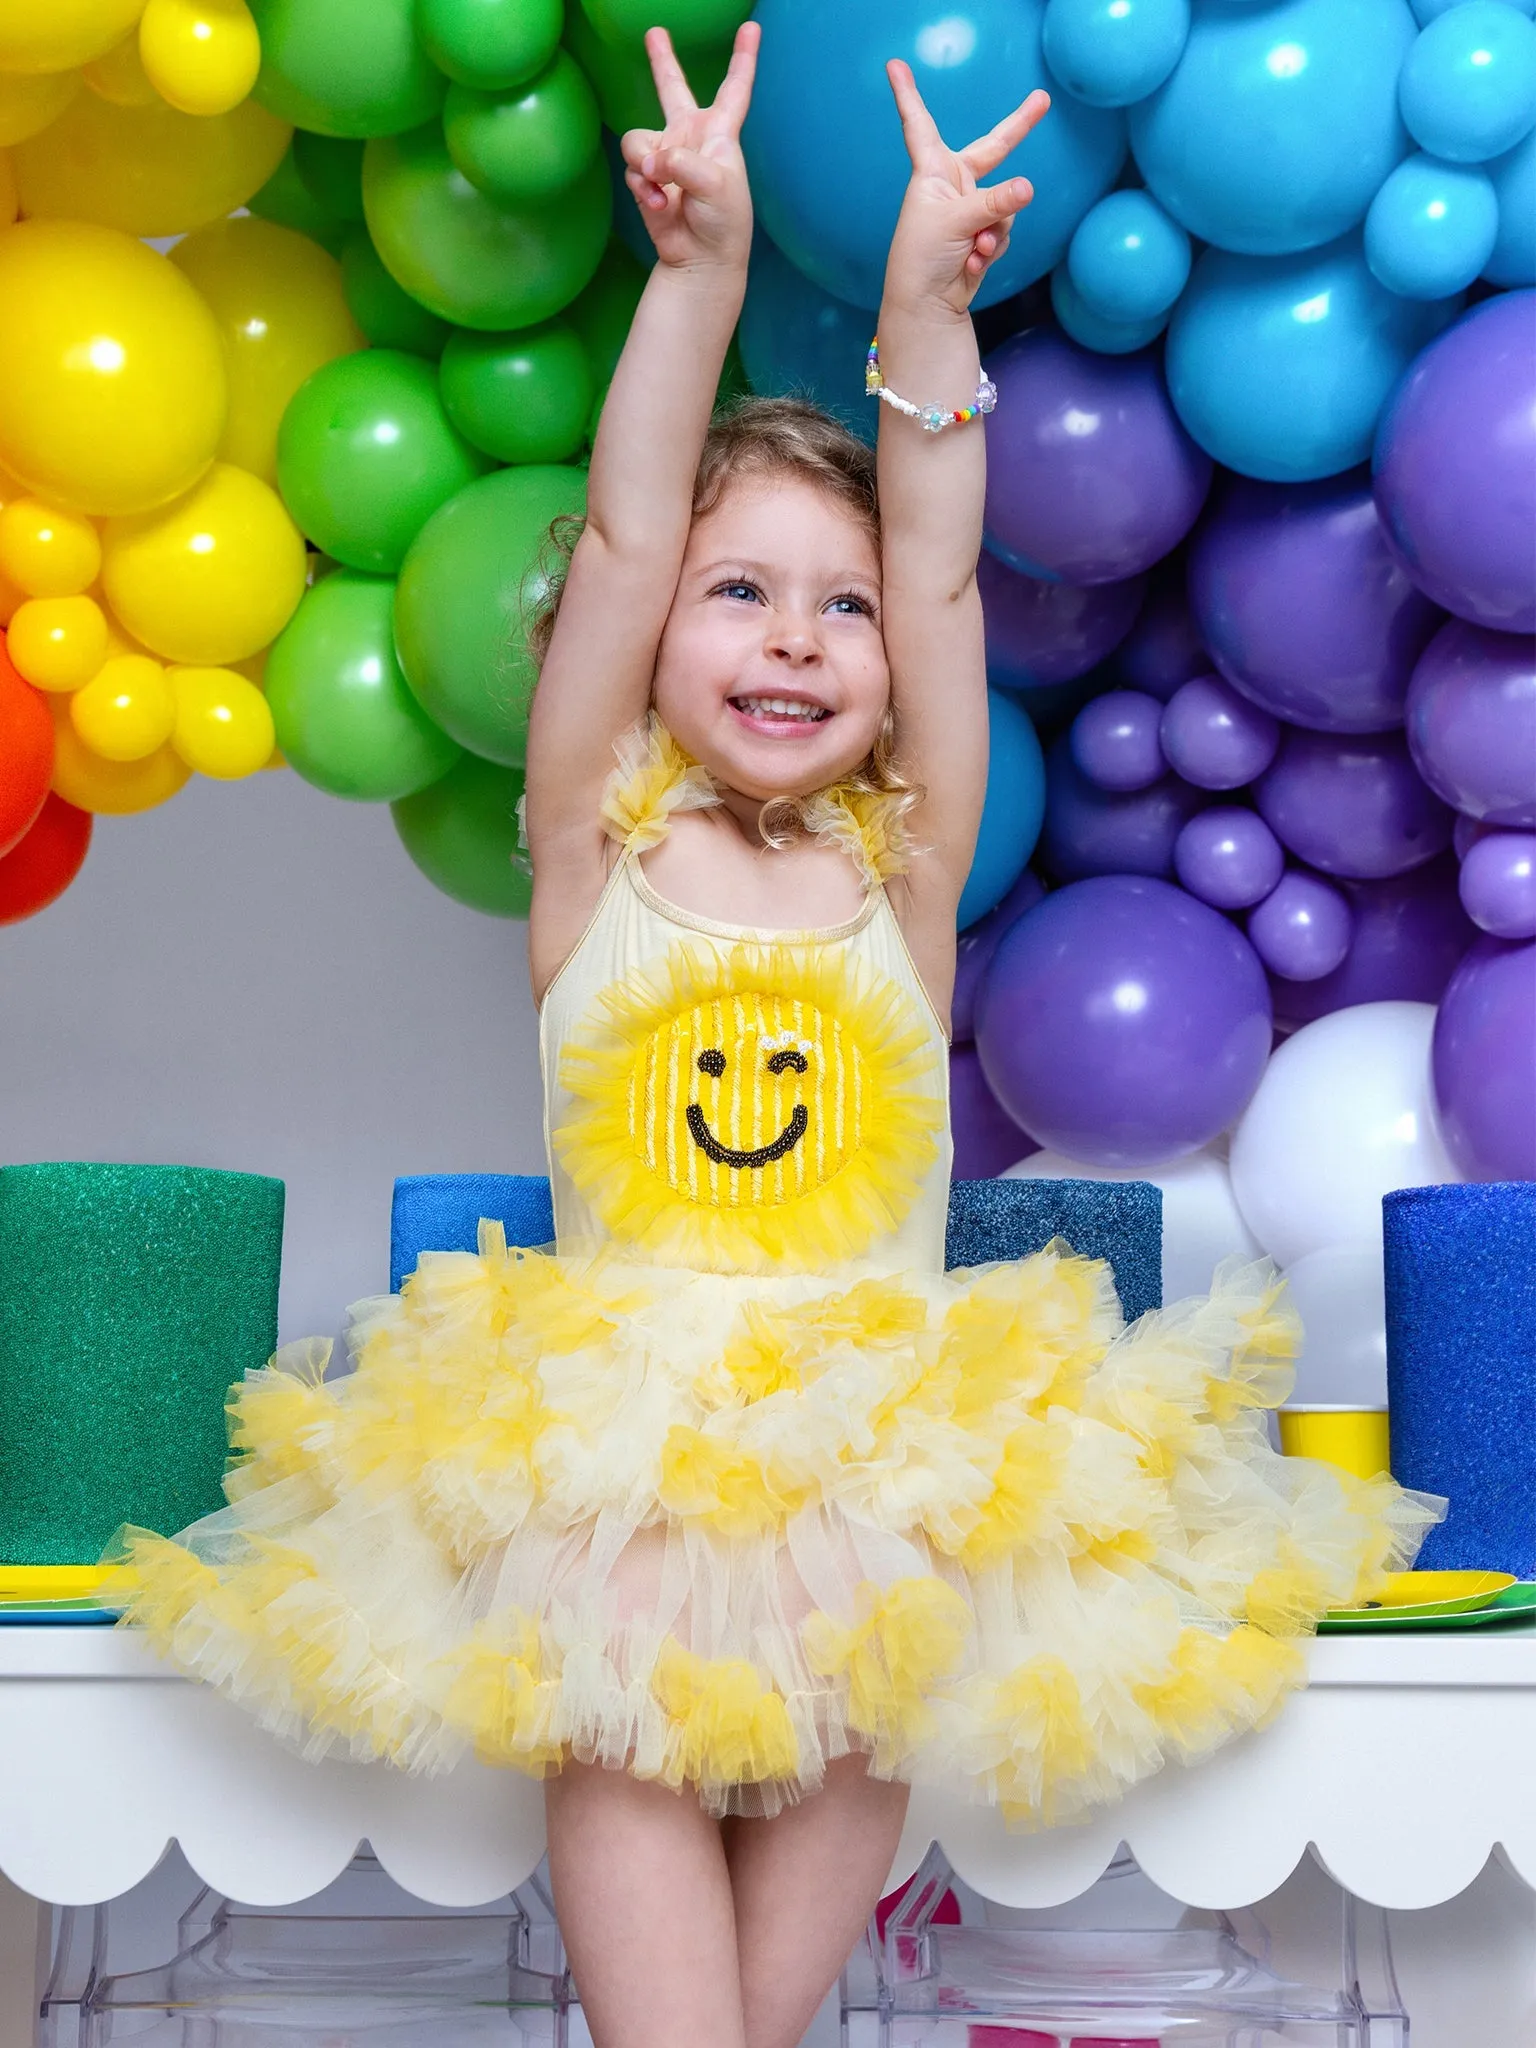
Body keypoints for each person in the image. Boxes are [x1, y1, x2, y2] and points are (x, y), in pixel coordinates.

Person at [106, 23, 1436, 2048]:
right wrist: (698, 280)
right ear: (654, 646)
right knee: (647, 1870)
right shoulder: (588, 859)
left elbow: (940, 555)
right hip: (622, 1461)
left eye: (836, 611)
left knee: (824, 1846)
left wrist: (926, 311)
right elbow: (629, 538)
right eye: (745, 594)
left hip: (885, 1463)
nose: (799, 638)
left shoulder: (900, 874)